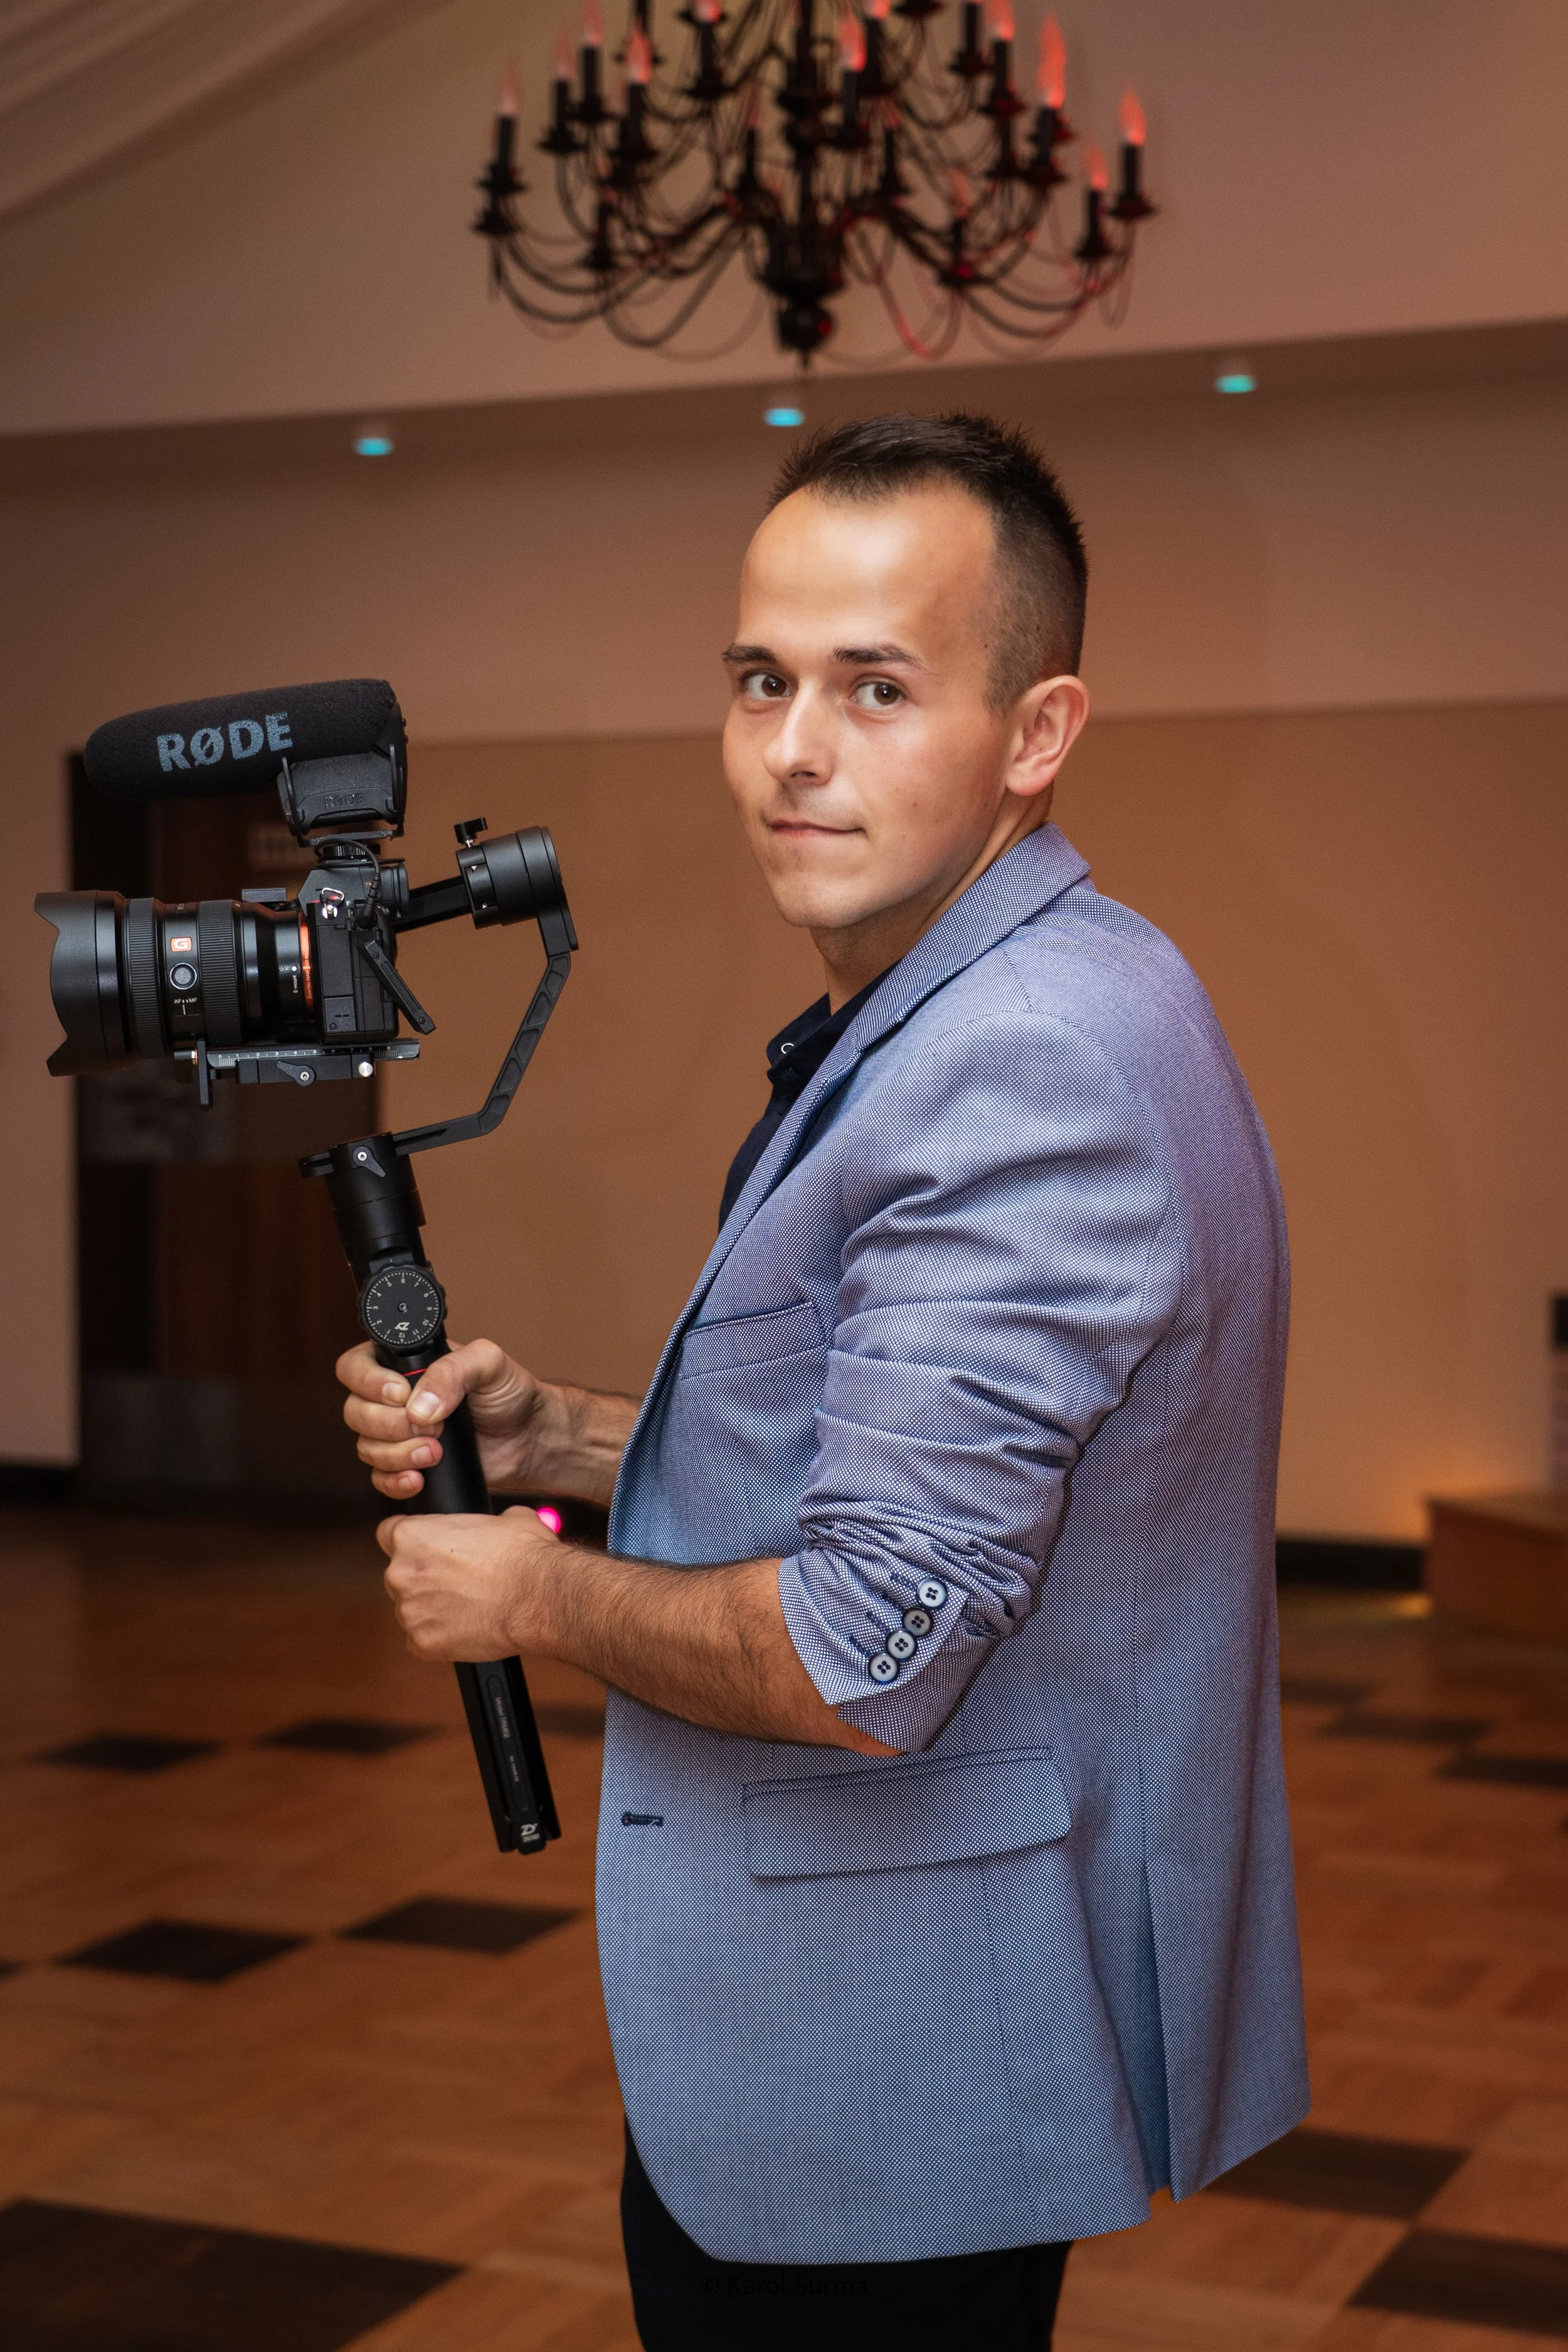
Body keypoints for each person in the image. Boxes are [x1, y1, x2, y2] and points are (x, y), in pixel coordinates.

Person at [337, 412, 1309, 2350]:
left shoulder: (1017, 1067)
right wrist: (569, 1438)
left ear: (1034, 731)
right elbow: (924, 1471)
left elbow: (865, 1648)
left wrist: (530, 1588)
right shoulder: (1017, 988)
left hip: (888, 2054)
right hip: (897, 2021)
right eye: (760, 679)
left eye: (875, 686)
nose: (792, 748)